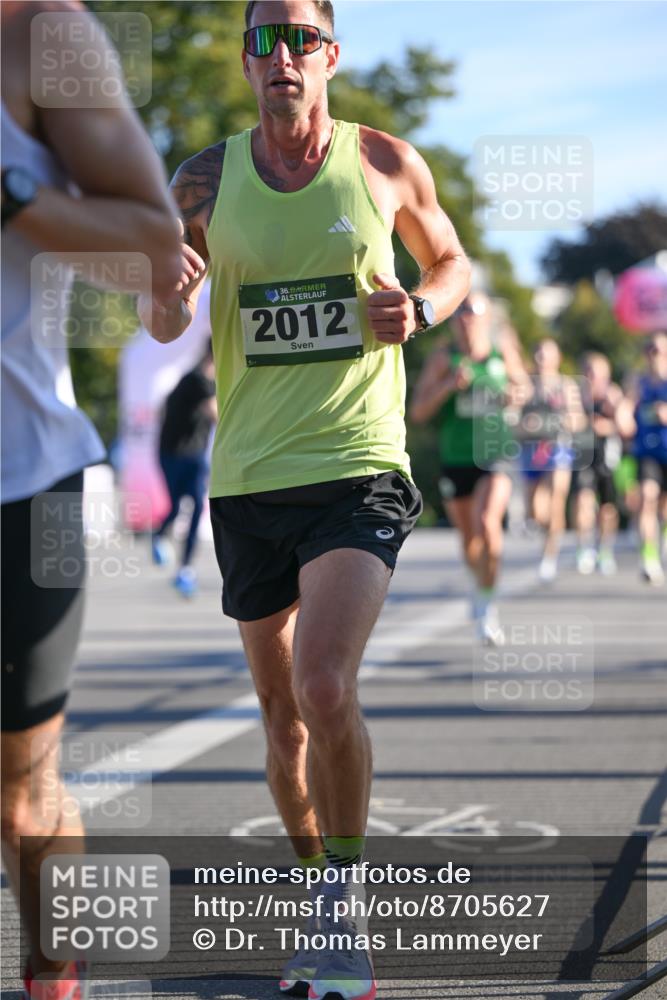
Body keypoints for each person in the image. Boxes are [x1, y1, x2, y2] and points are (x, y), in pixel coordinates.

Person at [138, 2, 471, 996]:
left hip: (358, 464)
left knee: (324, 685)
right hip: (248, 478)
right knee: (282, 719)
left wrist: (422, 306)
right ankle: (315, 883)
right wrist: (167, 291)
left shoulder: (384, 162)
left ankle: (342, 909)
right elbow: (162, 324)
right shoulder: (202, 180)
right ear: (247, 62)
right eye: (263, 40)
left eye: (300, 39)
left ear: (330, 56)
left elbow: (452, 262)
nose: (281, 56)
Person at [1, 3, 182, 998]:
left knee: (22, 797)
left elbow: (152, 246)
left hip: (23, 481)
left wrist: (10, 193)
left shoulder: (41, 33)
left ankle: (53, 969)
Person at [409, 291, 528, 645]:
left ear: (487, 318)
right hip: (456, 457)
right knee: (469, 538)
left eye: (473, 310)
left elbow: (524, 387)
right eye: (460, 311)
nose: (465, 317)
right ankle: (480, 584)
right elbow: (418, 412)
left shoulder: (500, 352)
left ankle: (488, 605)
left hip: (495, 453)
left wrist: (516, 395)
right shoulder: (444, 357)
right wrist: (448, 385)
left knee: (487, 522)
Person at [151, 339, 217, 597]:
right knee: (177, 506)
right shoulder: (197, 380)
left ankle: (185, 568)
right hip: (175, 454)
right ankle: (159, 536)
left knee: (197, 506)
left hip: (194, 454)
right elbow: (216, 414)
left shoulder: (204, 381)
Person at [520, 338, 585, 582]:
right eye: (538, 352)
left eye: (546, 354)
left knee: (557, 496)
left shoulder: (566, 385)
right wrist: (526, 424)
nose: (541, 358)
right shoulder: (526, 384)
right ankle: (542, 528)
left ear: (557, 358)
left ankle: (549, 557)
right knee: (536, 511)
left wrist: (563, 420)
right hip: (531, 450)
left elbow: (579, 420)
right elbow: (510, 419)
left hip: (558, 447)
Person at [619, 331, 667, 584]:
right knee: (647, 498)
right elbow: (625, 406)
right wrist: (624, 417)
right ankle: (649, 558)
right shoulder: (639, 383)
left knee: (664, 508)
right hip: (647, 452)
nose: (655, 355)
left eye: (659, 350)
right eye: (651, 350)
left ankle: (664, 540)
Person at [571, 353, 625, 576]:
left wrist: (609, 420)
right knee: (583, 500)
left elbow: (624, 426)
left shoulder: (613, 395)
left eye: (596, 372)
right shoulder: (576, 395)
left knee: (607, 509)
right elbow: (571, 422)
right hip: (584, 457)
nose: (592, 376)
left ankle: (605, 549)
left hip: (607, 458)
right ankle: (584, 546)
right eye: (588, 371)